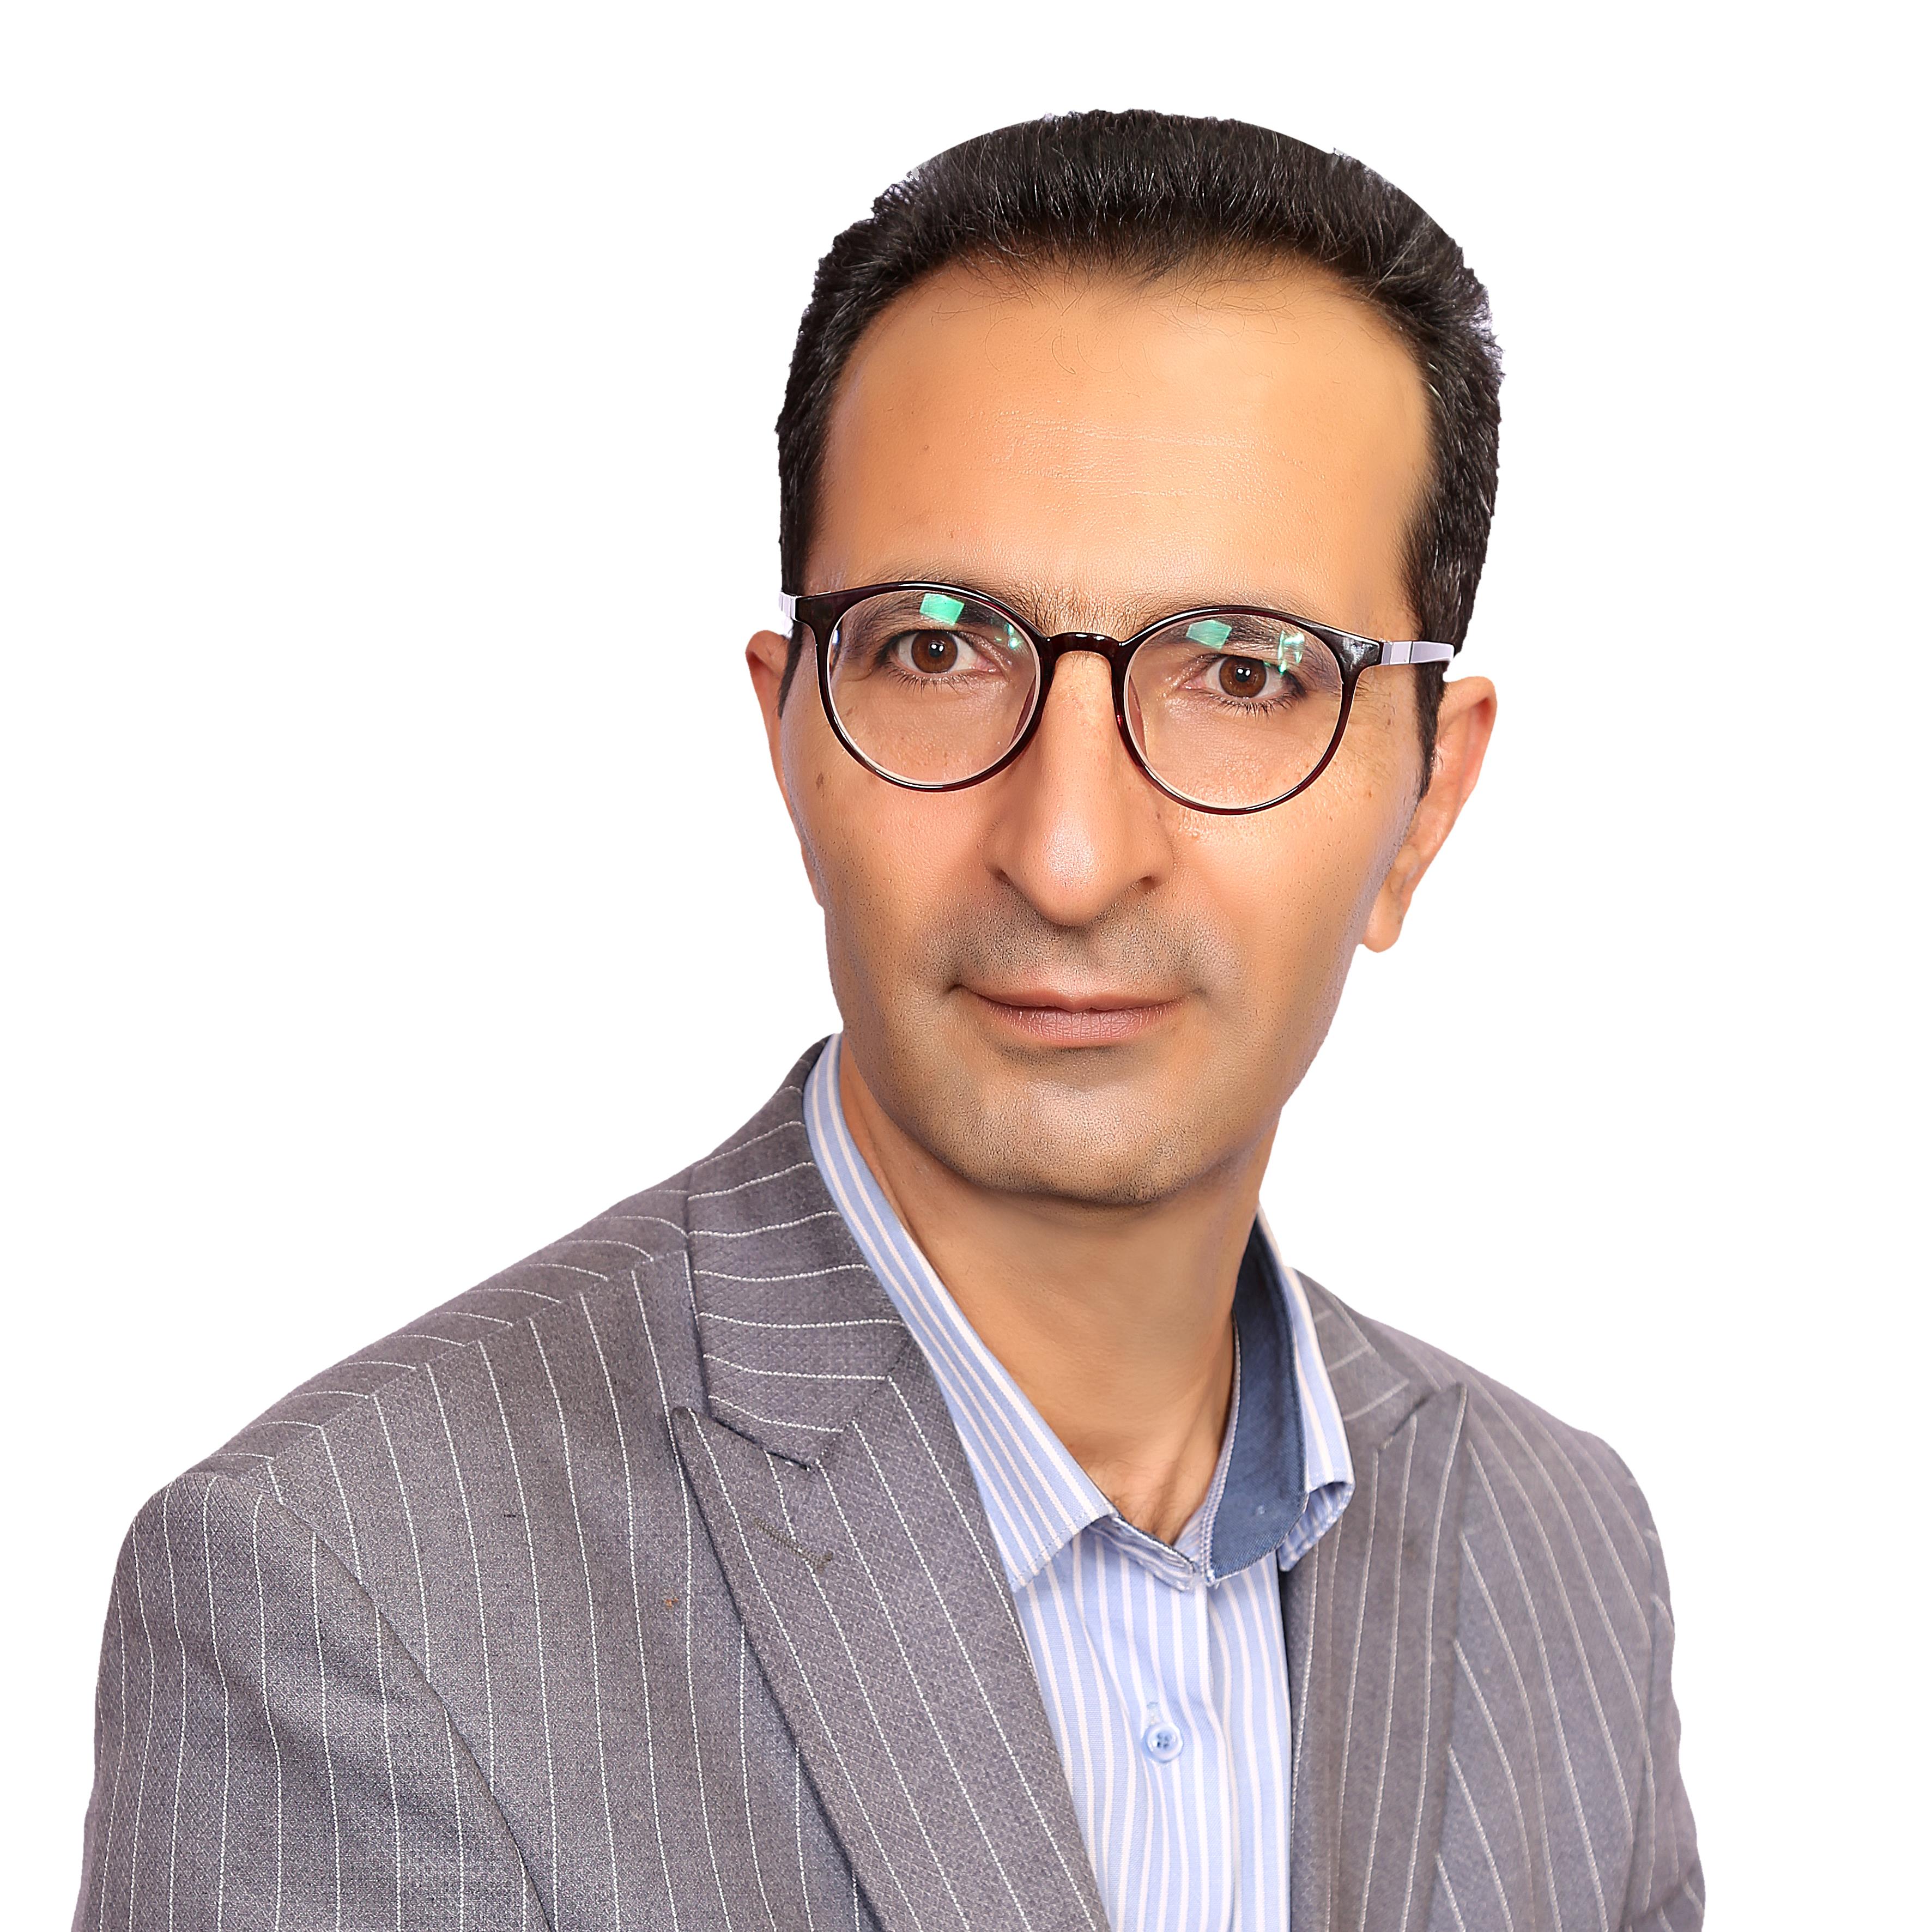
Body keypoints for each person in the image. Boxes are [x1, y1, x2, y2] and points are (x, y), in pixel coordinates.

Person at [71, 110, 1700, 1932]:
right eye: (936, 647)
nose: (1068, 853)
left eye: (1242, 672)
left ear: (1425, 801)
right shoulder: (343, 1590)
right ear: (789, 741)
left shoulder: (1564, 1557)